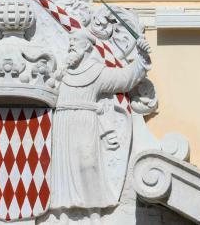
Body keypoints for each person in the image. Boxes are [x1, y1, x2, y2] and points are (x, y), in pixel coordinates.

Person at [50, 31, 151, 214]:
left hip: (85, 123)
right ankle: (64, 212)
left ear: (87, 46)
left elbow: (124, 79)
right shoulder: (63, 73)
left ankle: (93, 211)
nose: (71, 44)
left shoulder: (96, 72)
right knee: (63, 170)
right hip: (62, 123)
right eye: (70, 41)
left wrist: (141, 58)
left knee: (88, 165)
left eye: (75, 41)